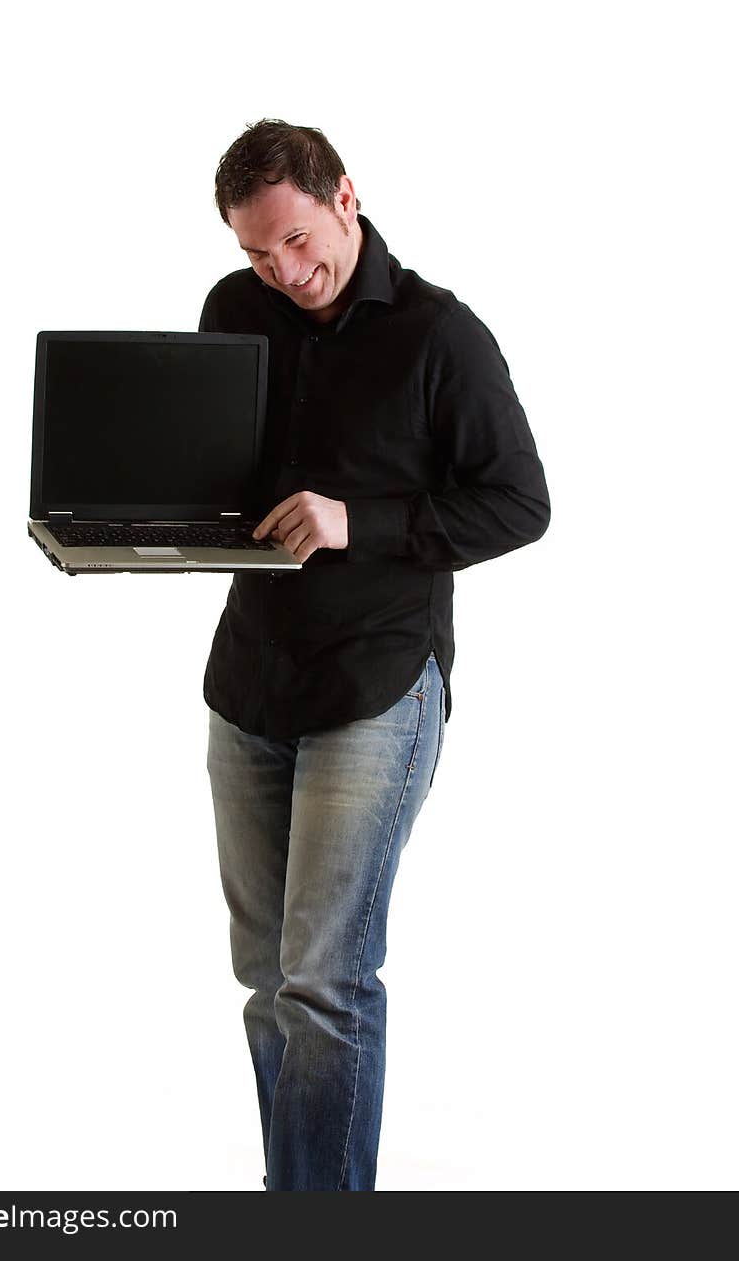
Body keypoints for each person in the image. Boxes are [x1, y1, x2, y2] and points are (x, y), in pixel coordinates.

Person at [198, 119, 551, 1191]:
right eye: (259, 253)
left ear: (345, 196)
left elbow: (519, 504)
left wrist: (363, 520)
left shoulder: (442, 337)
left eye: (299, 241)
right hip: (251, 677)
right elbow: (222, 464)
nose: (285, 272)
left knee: (325, 981)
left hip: (376, 683)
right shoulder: (232, 309)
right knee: (265, 978)